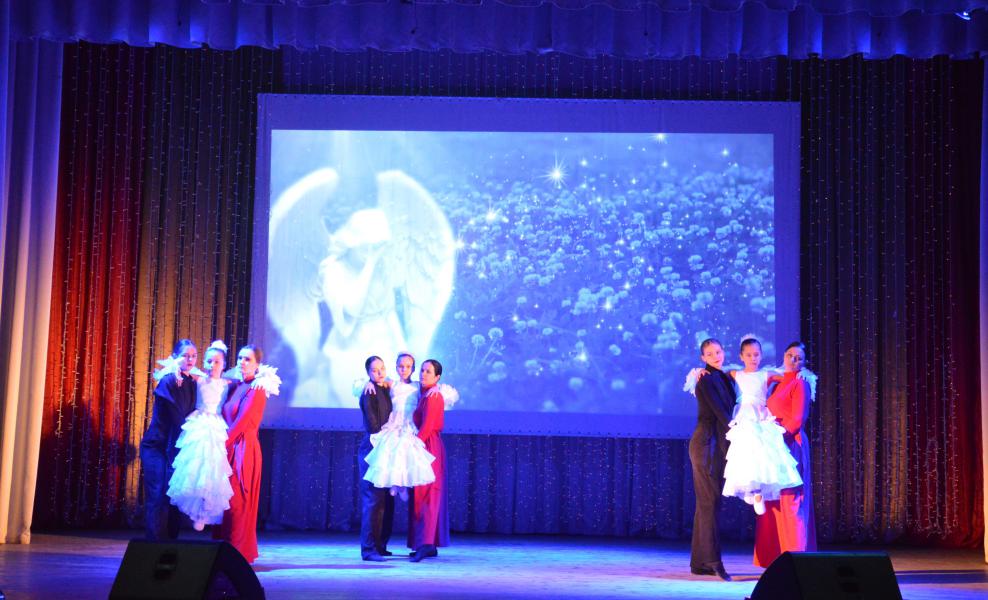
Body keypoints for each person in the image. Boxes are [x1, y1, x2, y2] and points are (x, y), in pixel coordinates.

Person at [754, 341, 818, 567]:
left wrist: (777, 441)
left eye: (799, 358)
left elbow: (797, 420)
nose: (794, 360)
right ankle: (775, 559)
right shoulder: (778, 380)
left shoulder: (801, 382)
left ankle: (797, 561)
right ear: (784, 355)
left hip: (790, 446)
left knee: (791, 501)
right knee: (774, 502)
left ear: (804, 362)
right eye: (790, 355)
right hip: (774, 445)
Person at [213, 344, 279, 564]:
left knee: (237, 504)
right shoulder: (237, 385)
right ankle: (222, 554)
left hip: (242, 451)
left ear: (257, 364)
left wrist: (218, 446)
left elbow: (240, 424)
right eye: (240, 358)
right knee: (225, 504)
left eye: (248, 359)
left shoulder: (257, 389)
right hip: (229, 447)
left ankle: (236, 556)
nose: (242, 362)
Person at [721, 337, 803, 515]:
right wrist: (699, 372)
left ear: (761, 355)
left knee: (761, 454)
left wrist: (803, 374)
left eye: (756, 354)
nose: (753, 358)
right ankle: (751, 489)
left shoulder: (766, 374)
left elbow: (789, 376)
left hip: (760, 415)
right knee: (745, 453)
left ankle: (758, 492)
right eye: (749, 355)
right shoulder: (735, 373)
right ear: (741, 356)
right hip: (743, 416)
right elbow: (716, 372)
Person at [362, 352, 459, 498]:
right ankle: (395, 482)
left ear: (413, 369)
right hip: (395, 421)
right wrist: (368, 383)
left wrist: (437, 388)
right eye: (401, 366)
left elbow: (436, 387)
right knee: (392, 449)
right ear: (396, 367)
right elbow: (377, 381)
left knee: (407, 450)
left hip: (409, 422)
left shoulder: (417, 385)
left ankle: (403, 484)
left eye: (408, 367)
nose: (404, 369)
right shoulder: (391, 383)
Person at [167, 340, 235, 531]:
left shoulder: (227, 383)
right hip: (199, 422)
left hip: (215, 424)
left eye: (217, 362)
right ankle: (193, 504)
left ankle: (205, 510)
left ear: (224, 365)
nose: (212, 365)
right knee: (194, 464)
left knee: (212, 466)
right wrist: (176, 371)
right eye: (209, 361)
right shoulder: (198, 379)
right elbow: (178, 370)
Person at [140, 339, 200, 540]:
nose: (190, 359)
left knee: (174, 496)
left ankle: (171, 545)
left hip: (175, 448)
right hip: (157, 447)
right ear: (175, 357)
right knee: (157, 495)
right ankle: (153, 547)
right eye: (185, 355)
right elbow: (178, 418)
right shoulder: (168, 381)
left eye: (193, 356)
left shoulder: (192, 382)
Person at [688, 339, 736, 581]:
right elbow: (721, 413)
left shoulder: (723, 377)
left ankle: (699, 563)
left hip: (715, 444)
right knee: (710, 502)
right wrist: (741, 432)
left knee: (707, 503)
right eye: (710, 354)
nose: (716, 356)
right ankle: (714, 562)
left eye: (718, 351)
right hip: (706, 444)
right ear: (703, 358)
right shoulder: (706, 379)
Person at [408, 359, 449, 562]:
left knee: (428, 494)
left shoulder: (434, 395)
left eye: (428, 371)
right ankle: (426, 544)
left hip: (428, 446)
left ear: (437, 377)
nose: (423, 374)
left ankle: (425, 544)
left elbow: (427, 426)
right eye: (422, 370)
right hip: (424, 444)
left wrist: (414, 446)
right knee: (420, 493)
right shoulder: (425, 393)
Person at [358, 356, 397, 562]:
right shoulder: (369, 391)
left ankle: (380, 546)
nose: (380, 372)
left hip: (387, 447)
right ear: (368, 373)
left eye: (382, 368)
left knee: (386, 500)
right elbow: (374, 426)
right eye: (374, 370)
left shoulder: (386, 389)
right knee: (373, 499)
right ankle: (369, 549)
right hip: (373, 447)